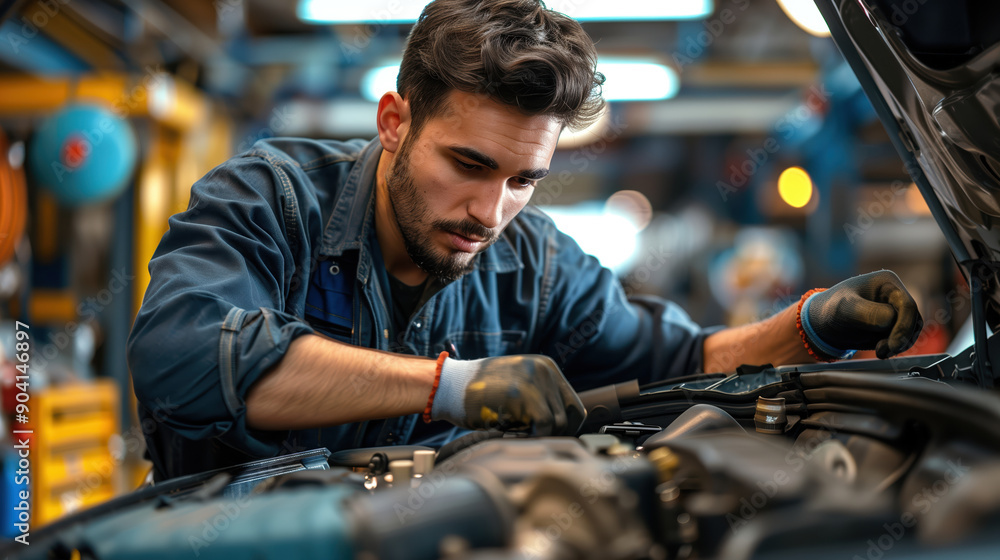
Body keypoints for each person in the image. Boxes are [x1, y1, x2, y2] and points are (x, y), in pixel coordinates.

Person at [126, 0, 923, 480]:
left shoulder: (536, 265)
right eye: (468, 164)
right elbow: (184, 358)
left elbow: (682, 362)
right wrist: (451, 385)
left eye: (522, 179)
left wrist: (810, 326)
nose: (489, 209)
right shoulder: (272, 198)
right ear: (395, 123)